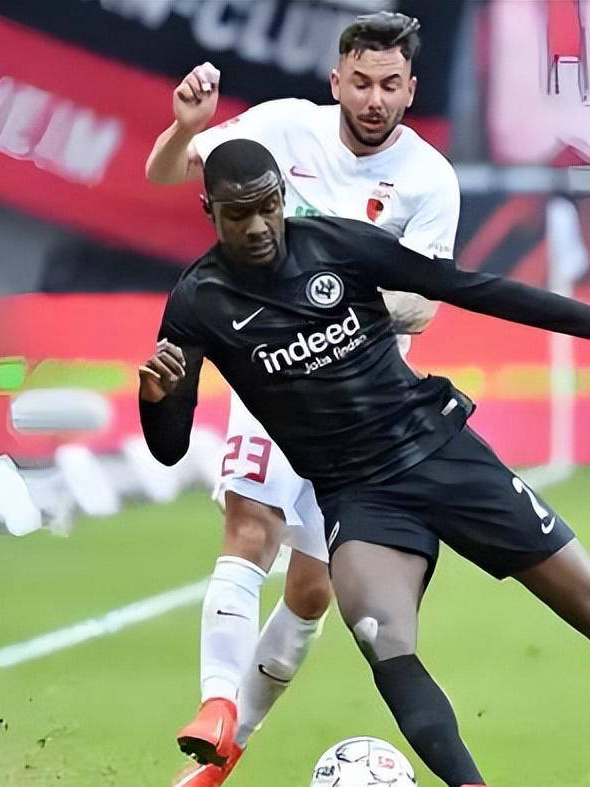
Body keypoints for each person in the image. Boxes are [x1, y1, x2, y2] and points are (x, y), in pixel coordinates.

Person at [139, 139, 590, 787]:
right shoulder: (198, 302)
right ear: (209, 209)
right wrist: (156, 400)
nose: (258, 225)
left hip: (441, 451)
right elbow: (168, 445)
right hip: (358, 496)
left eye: (268, 206)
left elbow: (468, 287)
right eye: (239, 213)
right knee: (382, 638)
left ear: (283, 198)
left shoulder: (334, 244)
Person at [145, 13, 461, 785]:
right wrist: (185, 127)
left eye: (390, 85)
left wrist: (329, 305)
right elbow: (167, 173)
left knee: (313, 590)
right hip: (273, 374)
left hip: (365, 404)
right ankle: (216, 706)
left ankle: (231, 746)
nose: (375, 99)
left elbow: (424, 305)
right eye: (362, 82)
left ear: (410, 89)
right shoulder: (284, 127)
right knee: (248, 526)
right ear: (336, 81)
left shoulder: (429, 180)